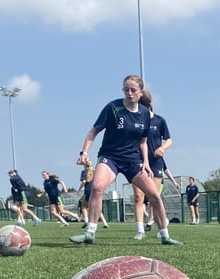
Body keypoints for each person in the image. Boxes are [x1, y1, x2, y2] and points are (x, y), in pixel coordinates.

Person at [69, 74, 182, 245]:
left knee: (154, 195)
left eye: (133, 90)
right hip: (110, 157)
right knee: (97, 188)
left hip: (133, 161)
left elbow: (143, 141)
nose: (129, 93)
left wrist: (145, 163)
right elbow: (94, 131)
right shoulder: (112, 107)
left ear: (141, 92)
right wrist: (84, 152)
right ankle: (90, 233)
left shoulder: (145, 113)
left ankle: (165, 236)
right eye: (126, 90)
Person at [132, 90, 174, 239]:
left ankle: (162, 226)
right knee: (138, 196)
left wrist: (162, 148)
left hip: (155, 163)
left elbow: (169, 140)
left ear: (149, 104)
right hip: (138, 162)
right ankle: (140, 230)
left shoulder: (160, 121)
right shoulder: (135, 121)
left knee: (154, 198)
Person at [142, 159, 180, 233]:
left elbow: (166, 170)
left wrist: (174, 182)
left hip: (159, 181)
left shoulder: (159, 159)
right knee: (150, 202)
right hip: (149, 180)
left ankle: (155, 222)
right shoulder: (146, 157)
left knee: (154, 200)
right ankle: (152, 221)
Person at [77, 158, 109, 228]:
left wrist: (79, 189)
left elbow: (84, 182)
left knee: (84, 207)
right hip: (95, 190)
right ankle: (105, 223)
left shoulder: (84, 172)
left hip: (88, 190)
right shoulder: (95, 172)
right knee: (96, 207)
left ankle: (86, 221)